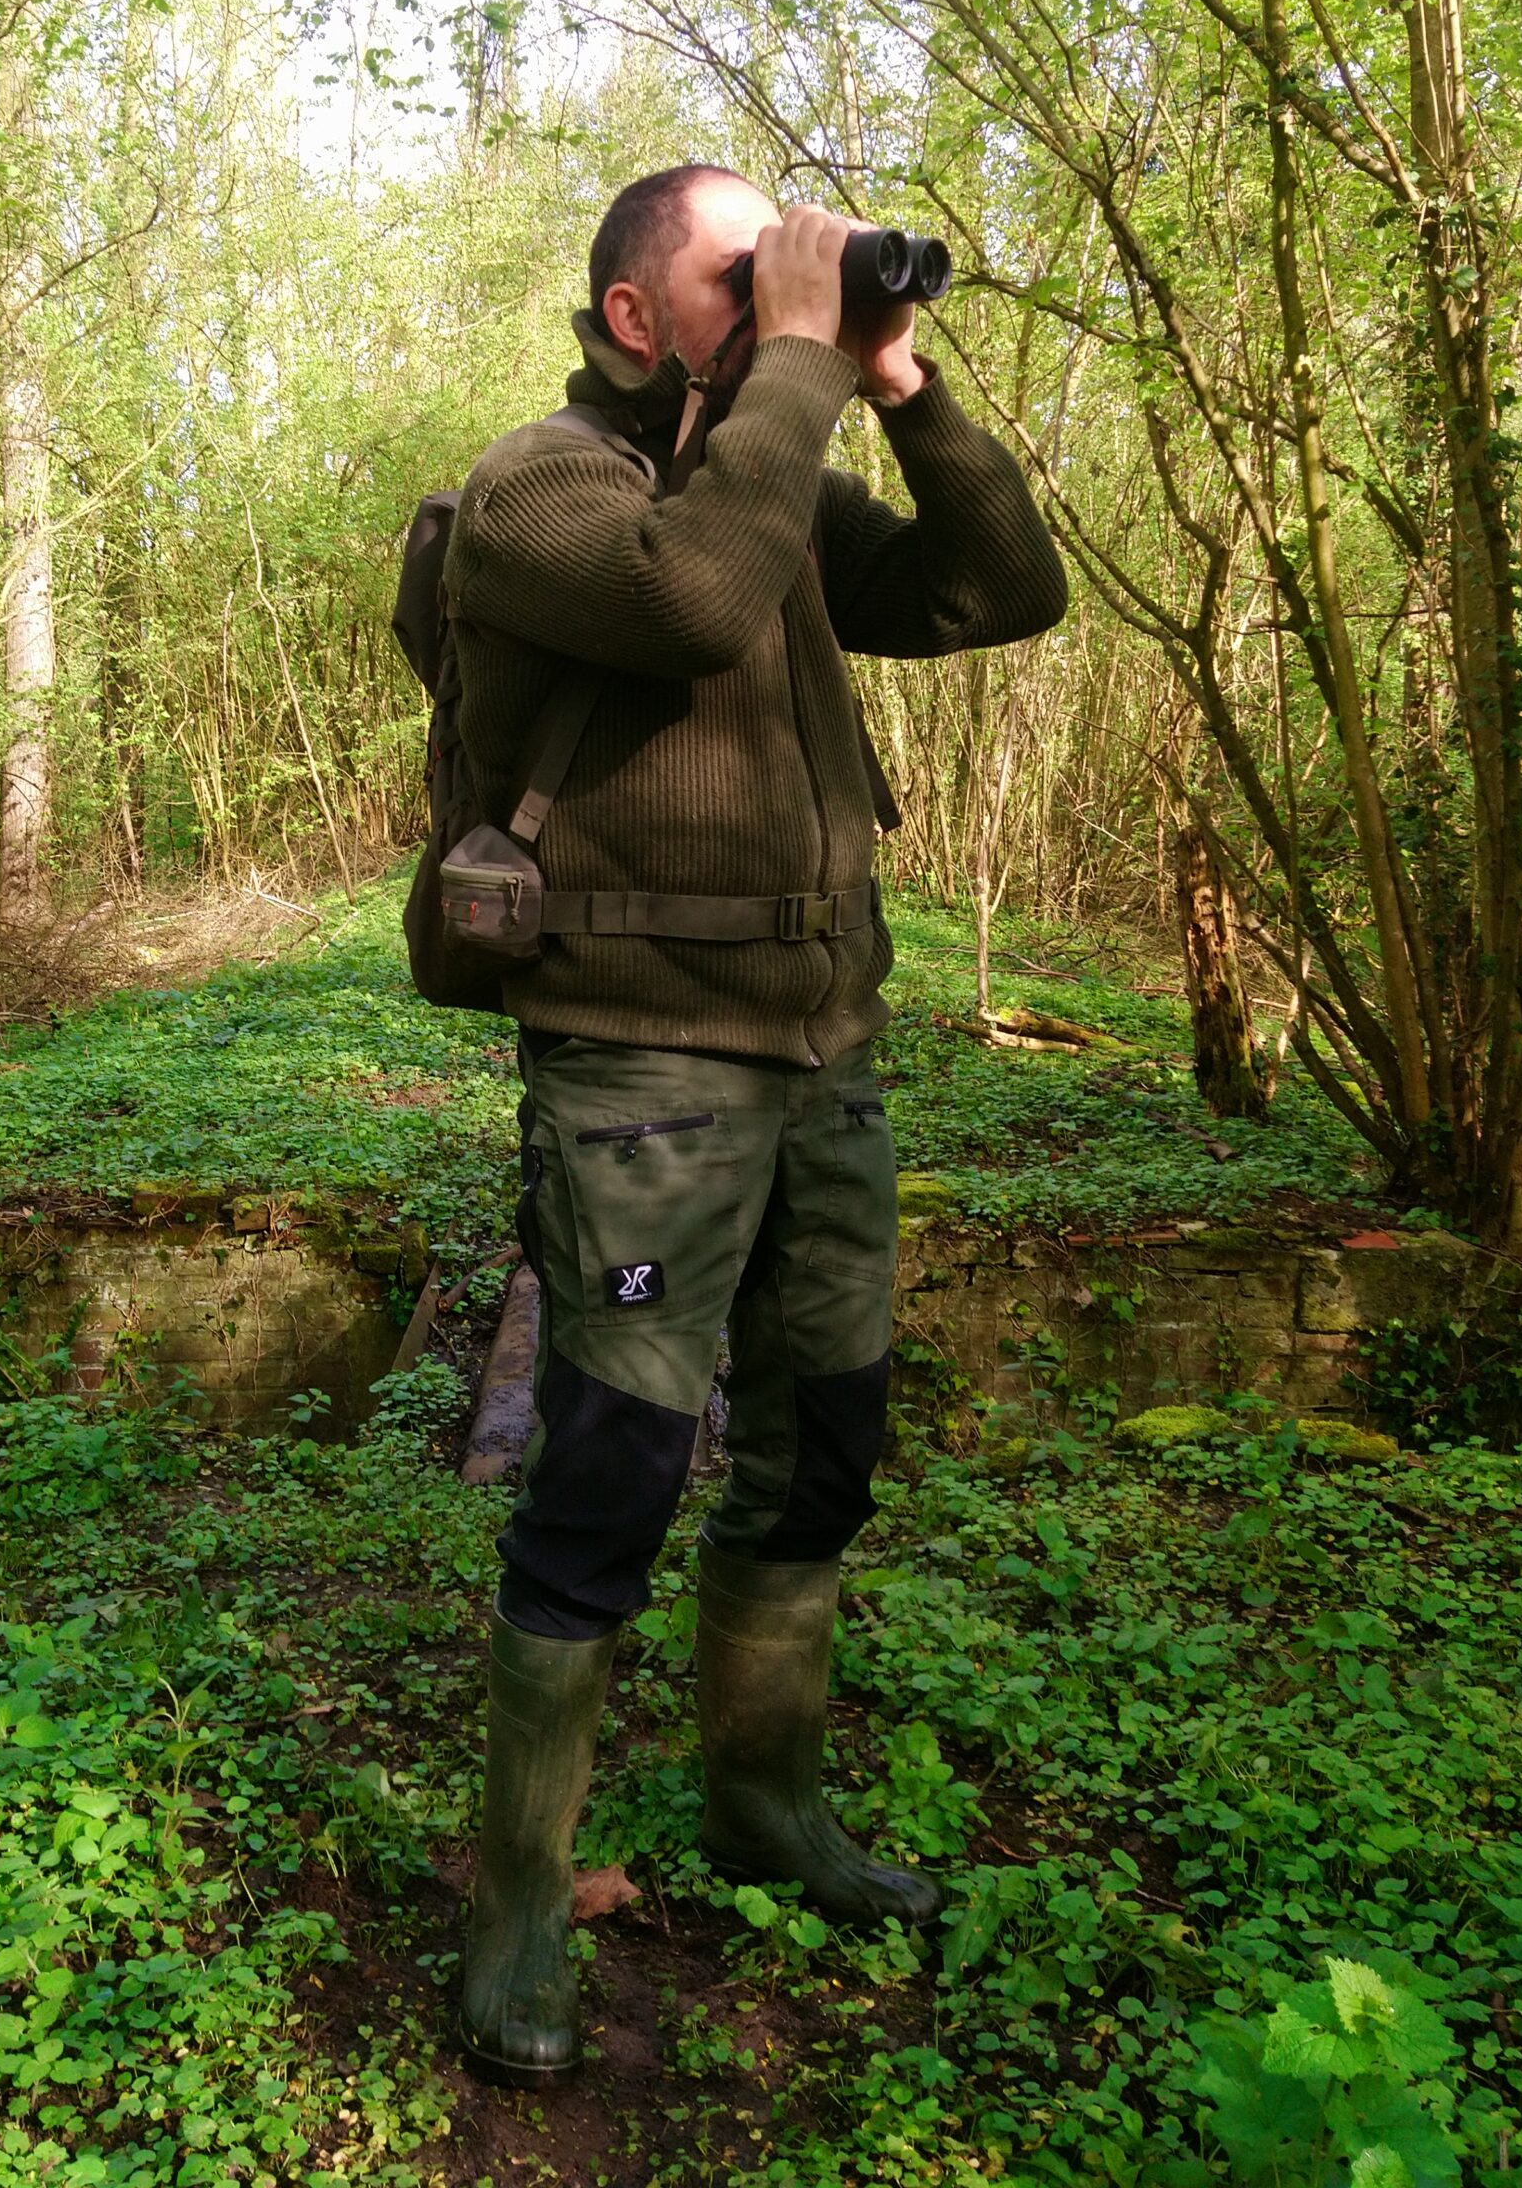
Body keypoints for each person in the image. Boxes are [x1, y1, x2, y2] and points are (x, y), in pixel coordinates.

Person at [442, 165, 1067, 2087]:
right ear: (636, 314)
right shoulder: (538, 489)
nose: (786, 283)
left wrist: (898, 382)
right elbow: (693, 599)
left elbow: (999, 592)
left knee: (824, 1447)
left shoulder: (774, 478)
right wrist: (797, 367)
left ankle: (763, 1807)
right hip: (641, 1063)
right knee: (613, 1469)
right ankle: (520, 1903)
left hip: (822, 1055)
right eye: (744, 270)